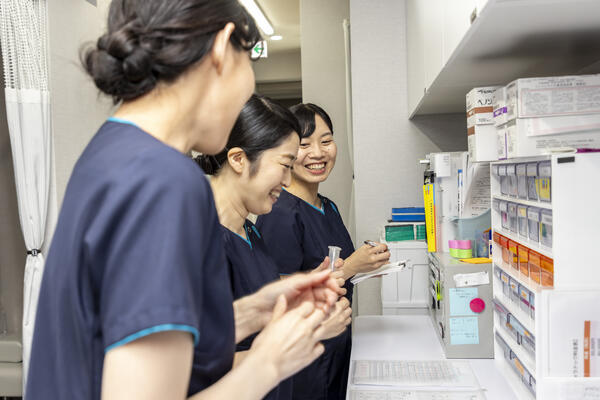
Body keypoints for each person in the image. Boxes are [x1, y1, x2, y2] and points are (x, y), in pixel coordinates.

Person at [26, 2, 343, 399]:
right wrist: (271, 362)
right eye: (250, 67)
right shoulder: (165, 180)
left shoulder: (112, 151)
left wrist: (254, 311)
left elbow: (120, 334)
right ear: (222, 48)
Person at [195, 94, 353, 400]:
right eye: (284, 164)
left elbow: (247, 295)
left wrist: (299, 291)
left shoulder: (248, 229)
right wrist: (310, 332)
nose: (287, 178)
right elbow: (194, 368)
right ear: (238, 159)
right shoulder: (199, 241)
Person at [256, 103, 391, 400]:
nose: (318, 153)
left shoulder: (328, 206)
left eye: (326, 141)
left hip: (338, 346)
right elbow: (280, 299)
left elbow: (337, 271)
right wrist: (352, 266)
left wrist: (370, 263)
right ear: (287, 151)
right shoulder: (280, 214)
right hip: (305, 363)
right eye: (304, 145)